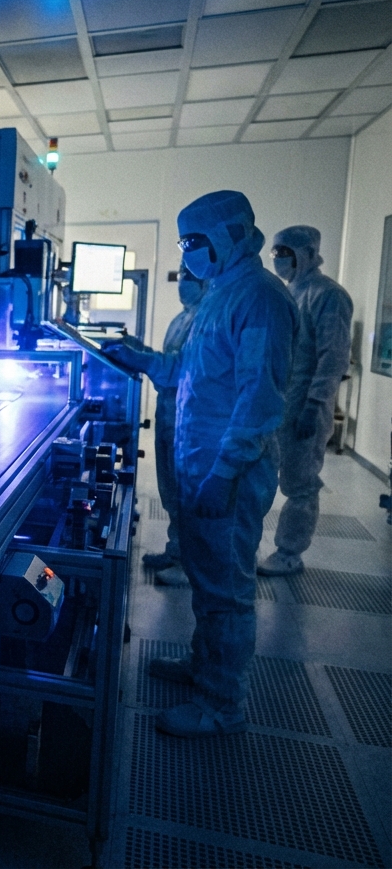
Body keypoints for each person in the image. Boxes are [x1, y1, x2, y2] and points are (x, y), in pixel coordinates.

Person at [103, 191, 296, 737]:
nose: (188, 255)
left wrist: (223, 472)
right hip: (199, 464)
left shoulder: (260, 298)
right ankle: (202, 668)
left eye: (194, 242)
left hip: (226, 473)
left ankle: (222, 705)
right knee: (206, 580)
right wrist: (139, 360)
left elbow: (259, 399)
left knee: (227, 593)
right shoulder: (218, 296)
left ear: (232, 235)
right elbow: (188, 377)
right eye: (184, 243)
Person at [259, 226, 353, 576]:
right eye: (275, 253)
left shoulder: (329, 295)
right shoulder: (290, 292)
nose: (279, 259)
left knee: (300, 482)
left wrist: (314, 406)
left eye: (286, 252)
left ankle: (289, 553)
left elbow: (333, 357)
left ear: (309, 253)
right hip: (280, 402)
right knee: (268, 474)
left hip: (305, 405)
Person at [138, 267, 207, 586]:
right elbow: (168, 361)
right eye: (179, 275)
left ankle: (191, 564)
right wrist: (139, 353)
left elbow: (181, 368)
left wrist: (140, 359)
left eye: (188, 276)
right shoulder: (181, 317)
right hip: (168, 410)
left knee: (188, 492)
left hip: (190, 416)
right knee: (171, 490)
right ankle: (176, 550)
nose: (182, 282)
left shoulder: (206, 318)